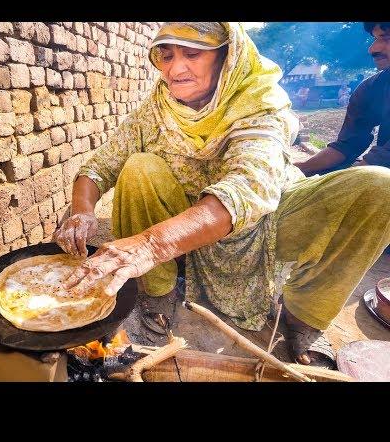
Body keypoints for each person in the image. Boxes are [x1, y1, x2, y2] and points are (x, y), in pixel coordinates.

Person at [53, 22, 390, 369]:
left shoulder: (260, 102)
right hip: (187, 225)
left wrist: (150, 245)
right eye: (166, 56)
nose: (175, 68)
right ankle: (158, 296)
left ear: (226, 58)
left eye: (192, 54)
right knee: (139, 166)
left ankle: (303, 319)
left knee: (379, 187)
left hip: (264, 223)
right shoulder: (158, 107)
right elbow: (102, 164)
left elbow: (248, 187)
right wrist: (82, 211)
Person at [295, 22, 390, 176]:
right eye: (375, 39)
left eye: (386, 38)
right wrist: (299, 170)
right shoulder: (372, 88)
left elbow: (381, 160)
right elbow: (347, 145)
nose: (373, 49)